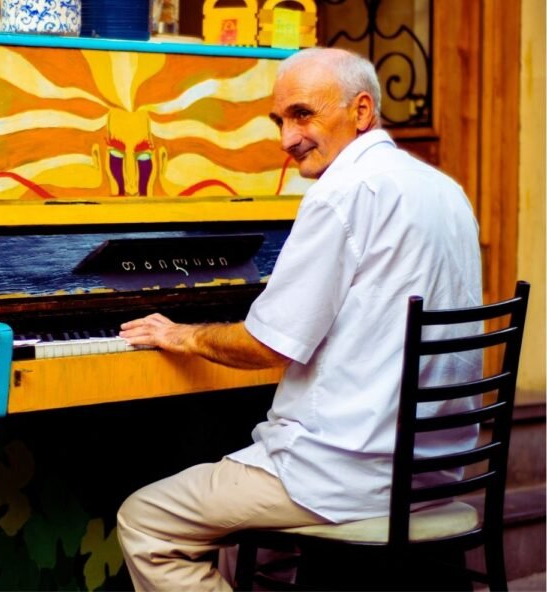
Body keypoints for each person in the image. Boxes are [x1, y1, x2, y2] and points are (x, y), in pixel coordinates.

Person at [115, 47, 482, 591]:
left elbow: (271, 346)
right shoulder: (445, 190)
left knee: (145, 521)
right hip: (431, 467)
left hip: (342, 475)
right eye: (280, 120)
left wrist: (184, 334)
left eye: (303, 114)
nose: (287, 138)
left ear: (361, 112)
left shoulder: (343, 193)